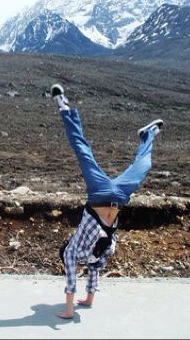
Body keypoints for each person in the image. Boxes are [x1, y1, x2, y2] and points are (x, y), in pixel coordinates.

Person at [50, 83, 163, 319]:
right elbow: (94, 274)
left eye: (74, 267)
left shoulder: (70, 252)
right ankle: (148, 134)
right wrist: (88, 300)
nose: (76, 269)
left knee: (83, 151)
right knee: (144, 165)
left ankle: (63, 106)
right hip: (119, 197)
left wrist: (69, 312)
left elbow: (71, 281)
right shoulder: (94, 258)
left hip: (99, 193)